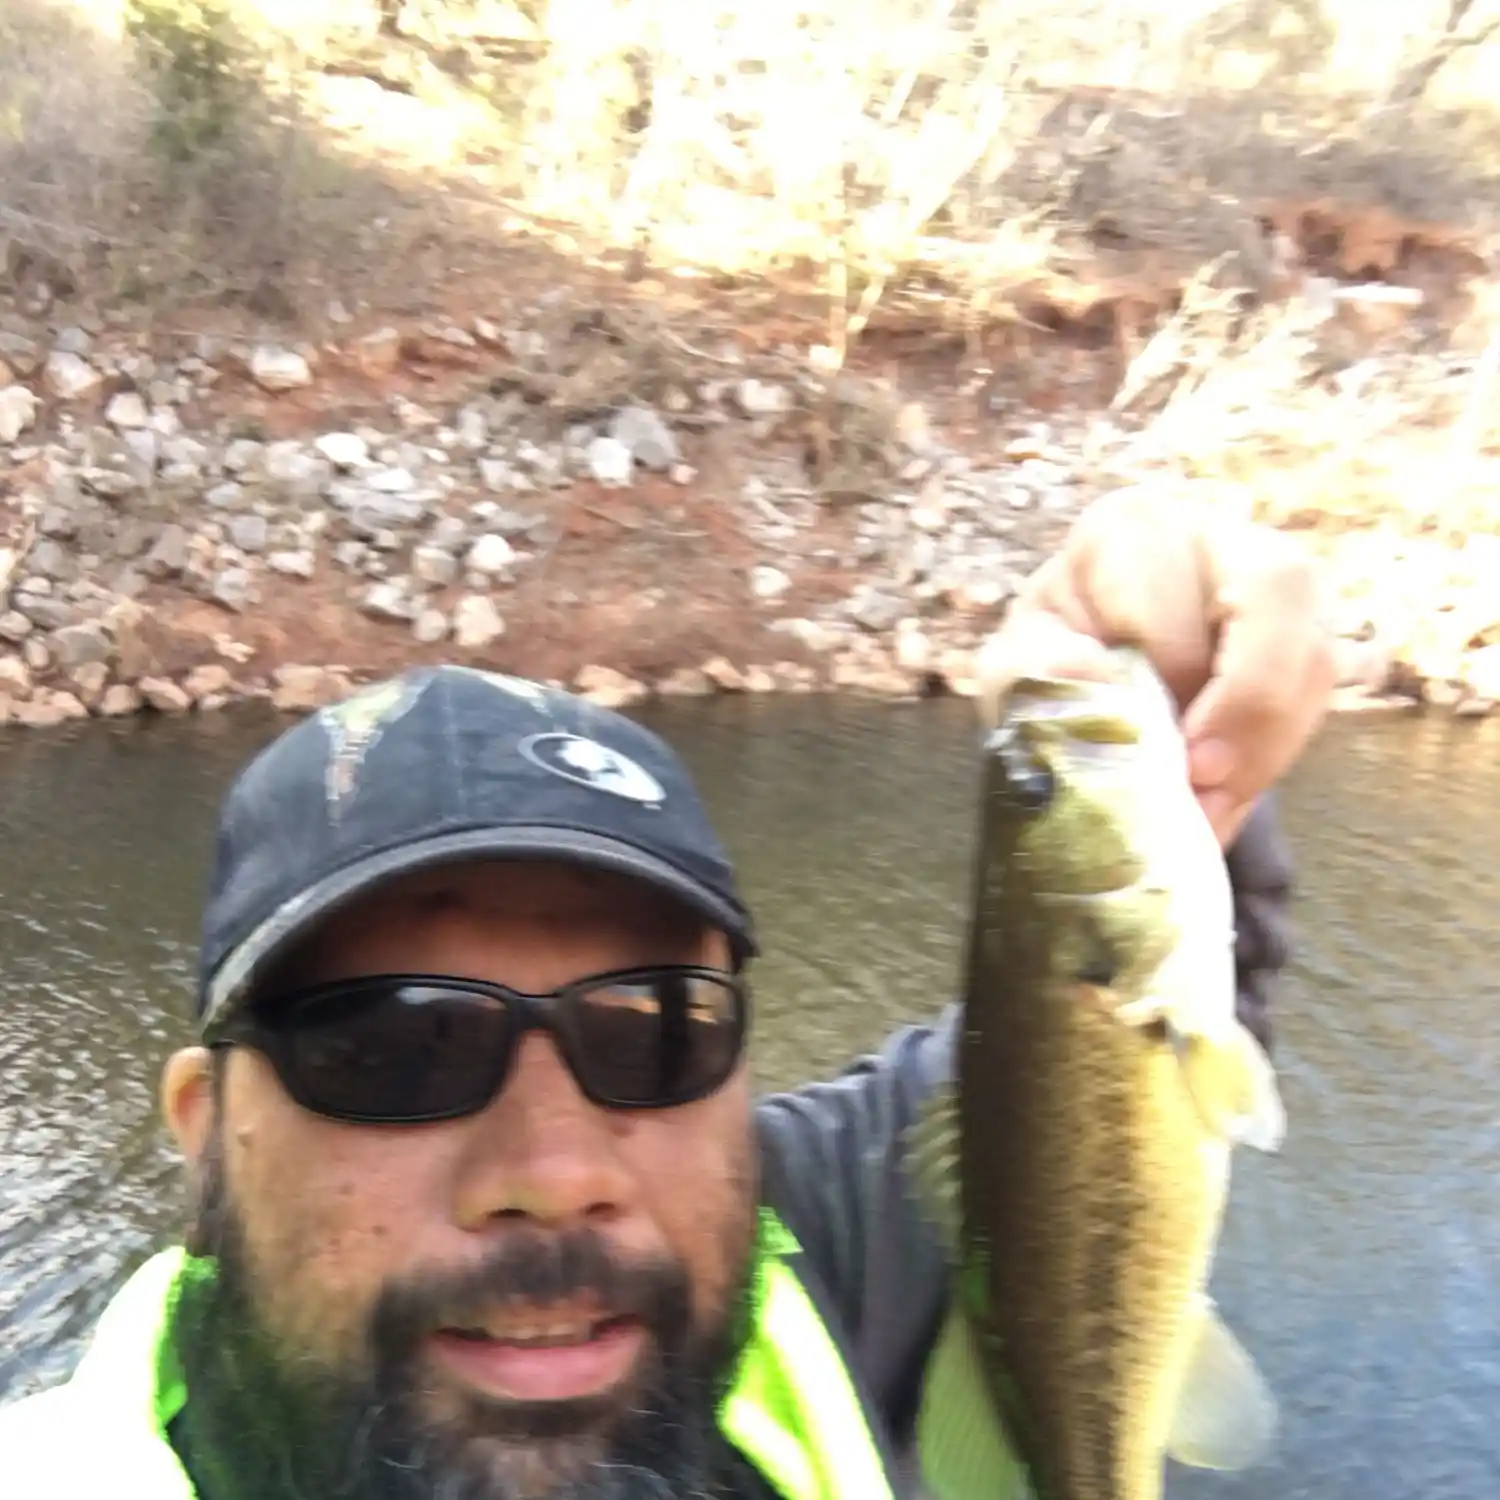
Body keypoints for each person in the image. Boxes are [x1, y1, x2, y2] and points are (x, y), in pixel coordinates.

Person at [0, 489, 1335, 1500]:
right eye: (399, 1047)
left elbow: (1096, 1084)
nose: (558, 1169)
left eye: (652, 1035)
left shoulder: (805, 1239)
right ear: (203, 1134)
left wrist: (1156, 634)